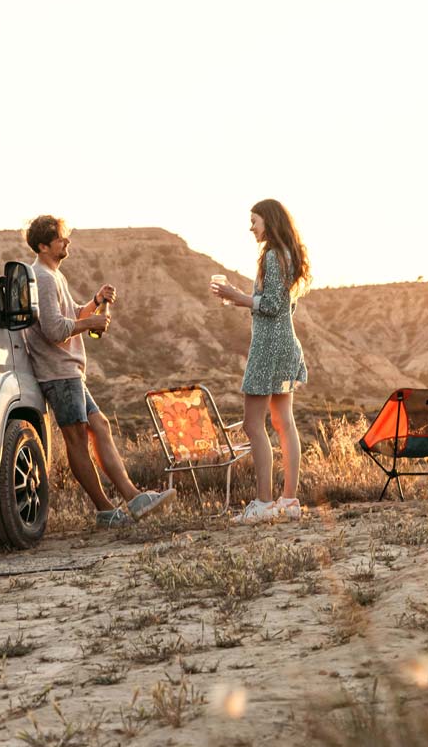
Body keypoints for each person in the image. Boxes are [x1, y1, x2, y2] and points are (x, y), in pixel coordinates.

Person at [22, 215, 174, 528]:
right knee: (76, 439)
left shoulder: (54, 275)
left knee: (100, 426)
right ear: (43, 245)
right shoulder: (43, 278)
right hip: (58, 373)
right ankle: (105, 509)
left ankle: (134, 497)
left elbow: (70, 315)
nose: (67, 242)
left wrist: (94, 303)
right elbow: (53, 329)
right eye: (61, 238)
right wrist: (88, 324)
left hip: (70, 372)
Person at [210, 199, 311, 524]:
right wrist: (241, 295)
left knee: (253, 424)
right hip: (286, 345)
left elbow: (270, 305)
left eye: (254, 220)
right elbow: (281, 304)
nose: (250, 226)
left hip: (268, 348)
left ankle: (264, 502)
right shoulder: (288, 255)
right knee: (285, 423)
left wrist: (236, 297)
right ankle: (289, 500)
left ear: (268, 221)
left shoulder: (271, 255)